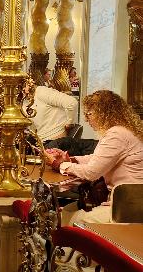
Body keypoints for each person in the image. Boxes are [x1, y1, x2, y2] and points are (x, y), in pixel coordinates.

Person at [48, 90, 143, 224]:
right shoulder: (124, 130)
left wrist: (60, 165)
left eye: (89, 114)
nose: (86, 119)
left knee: (67, 218)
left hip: (127, 208)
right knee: (67, 211)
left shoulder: (117, 134)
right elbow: (98, 157)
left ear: (104, 113)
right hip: (129, 202)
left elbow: (91, 173)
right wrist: (71, 159)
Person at [31, 80, 77, 145]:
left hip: (54, 140)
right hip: (39, 140)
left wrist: (69, 123)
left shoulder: (42, 91)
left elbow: (71, 103)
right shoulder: (22, 99)